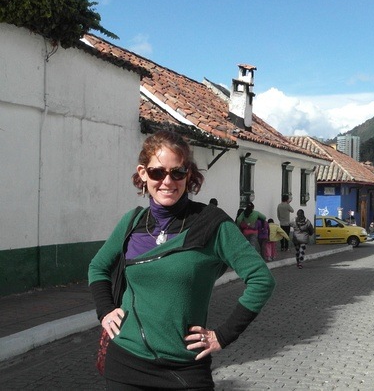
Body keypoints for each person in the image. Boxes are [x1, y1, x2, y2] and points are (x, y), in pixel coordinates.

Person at [88, 130, 275, 389]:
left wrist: (223, 335)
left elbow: (261, 279)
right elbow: (97, 267)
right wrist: (105, 310)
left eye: (177, 172)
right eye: (157, 172)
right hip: (125, 364)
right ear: (143, 173)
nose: (167, 181)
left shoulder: (212, 224)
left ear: (188, 174)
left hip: (185, 368)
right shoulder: (132, 222)